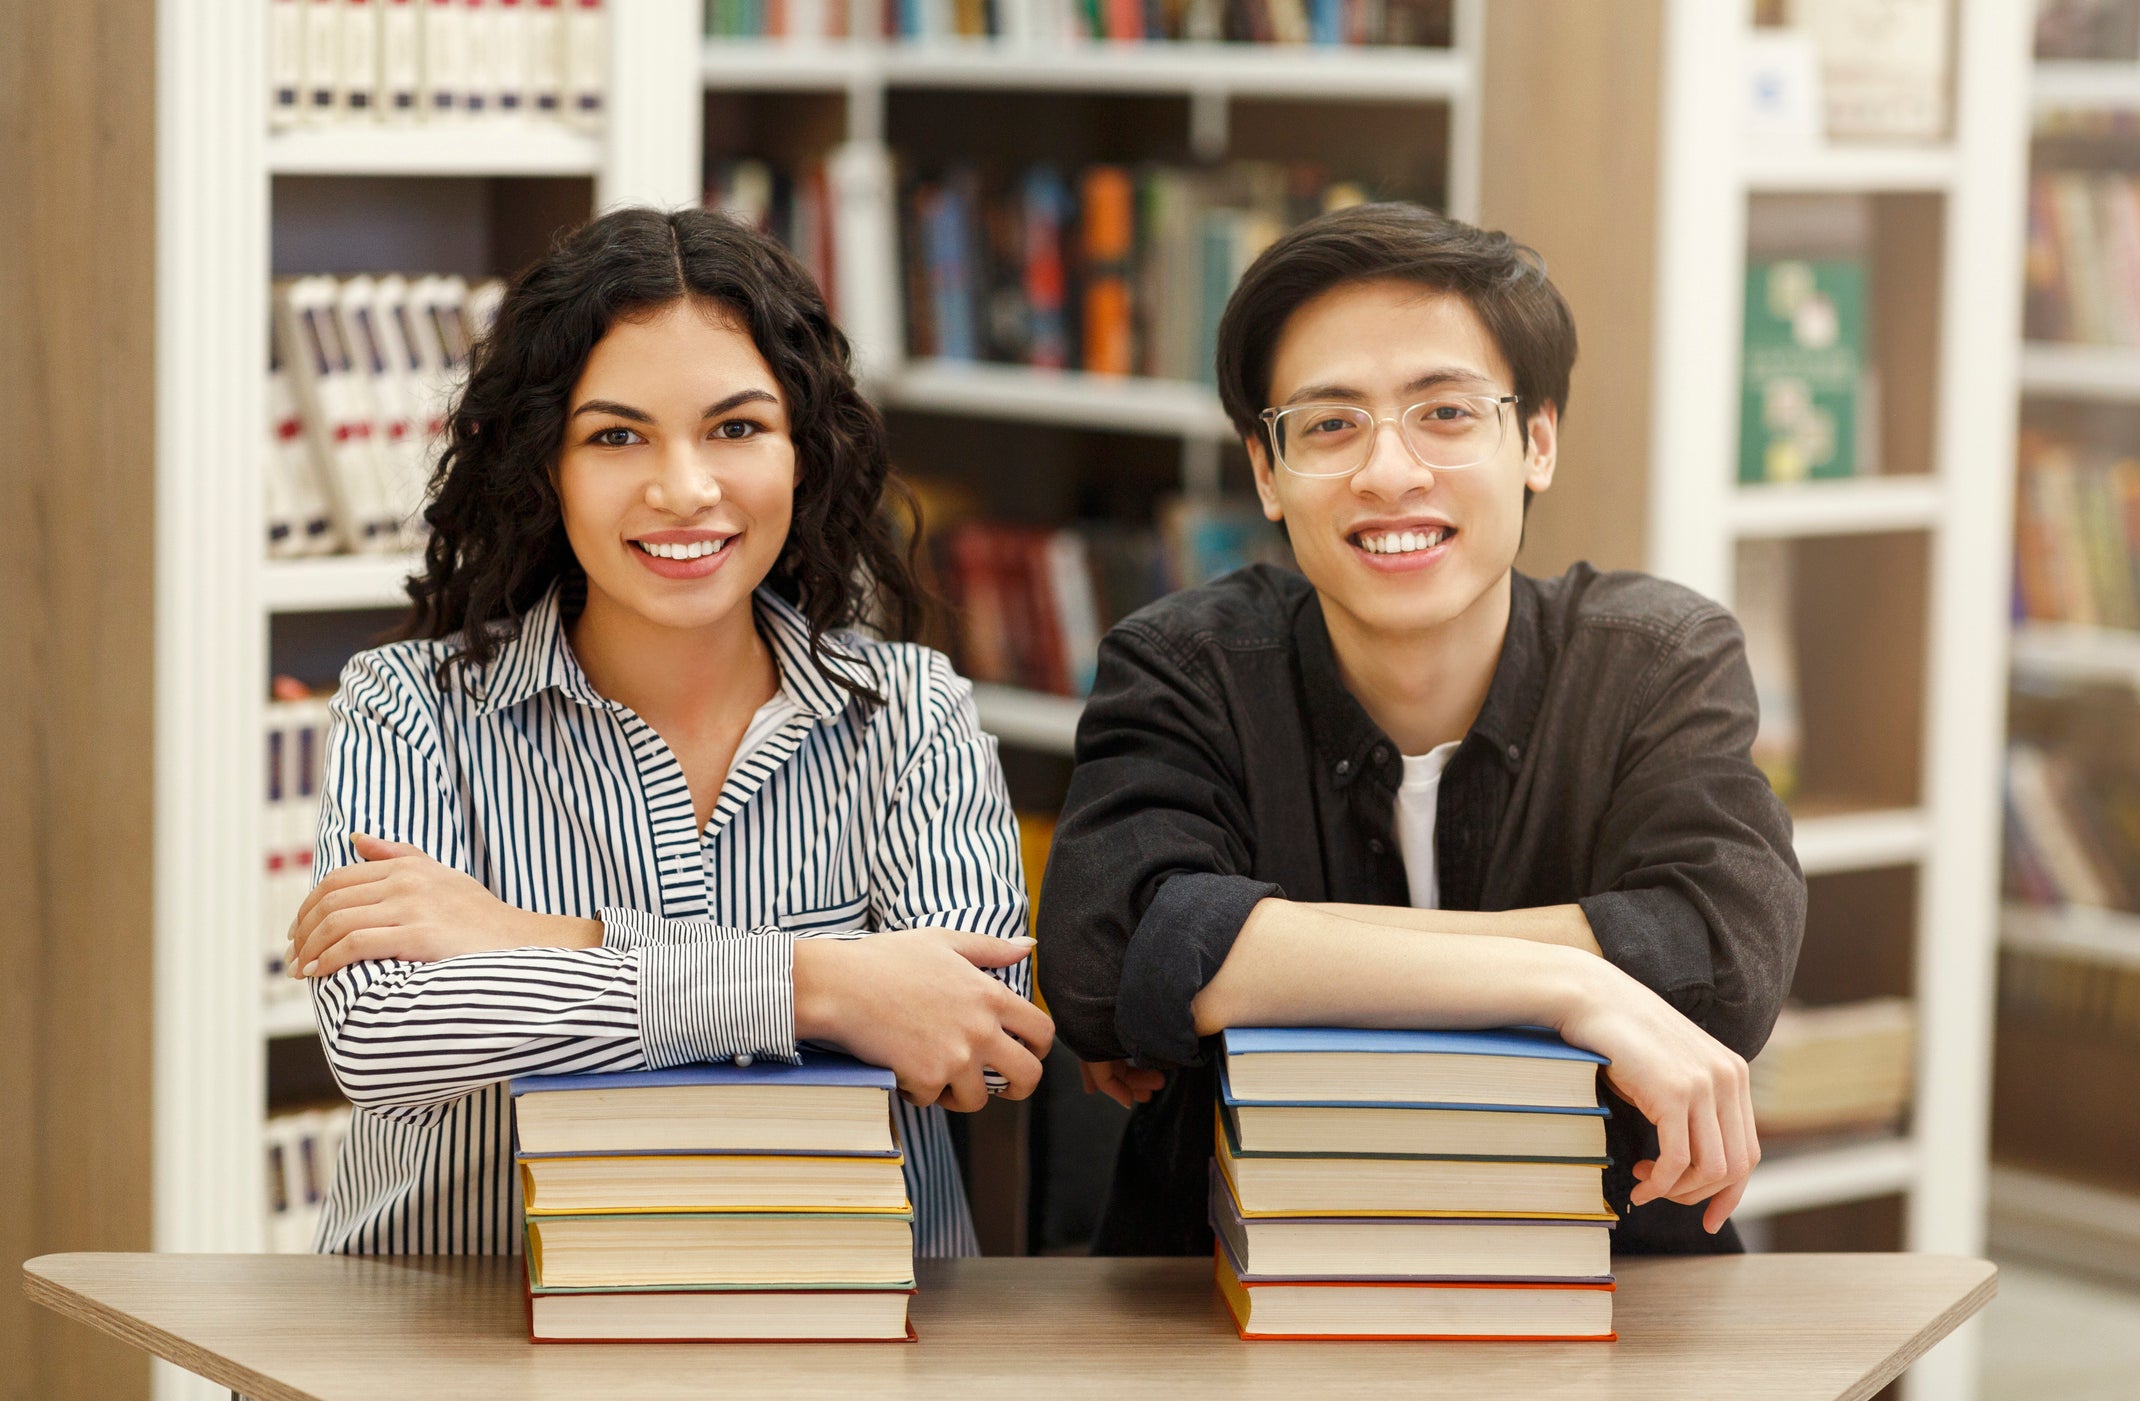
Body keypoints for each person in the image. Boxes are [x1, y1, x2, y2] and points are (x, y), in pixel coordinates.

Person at [1036, 202, 1805, 1257]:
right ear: (1265, 470)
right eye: (1329, 423)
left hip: (1609, 1284)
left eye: (1445, 413)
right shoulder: (1186, 666)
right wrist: (1575, 981)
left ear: (1534, 441)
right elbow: (1107, 954)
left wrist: (1248, 965)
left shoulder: (1654, 661)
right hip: (1228, 1294)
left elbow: (1721, 961)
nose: (1389, 472)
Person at [284, 206, 1054, 1256]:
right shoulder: (406, 705)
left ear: (803, 452)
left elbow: (980, 1041)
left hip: (843, 1326)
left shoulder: (914, 713)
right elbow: (387, 1037)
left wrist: (542, 942)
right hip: (455, 1330)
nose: (683, 490)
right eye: (615, 436)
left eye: (736, 429)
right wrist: (820, 985)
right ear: (541, 466)